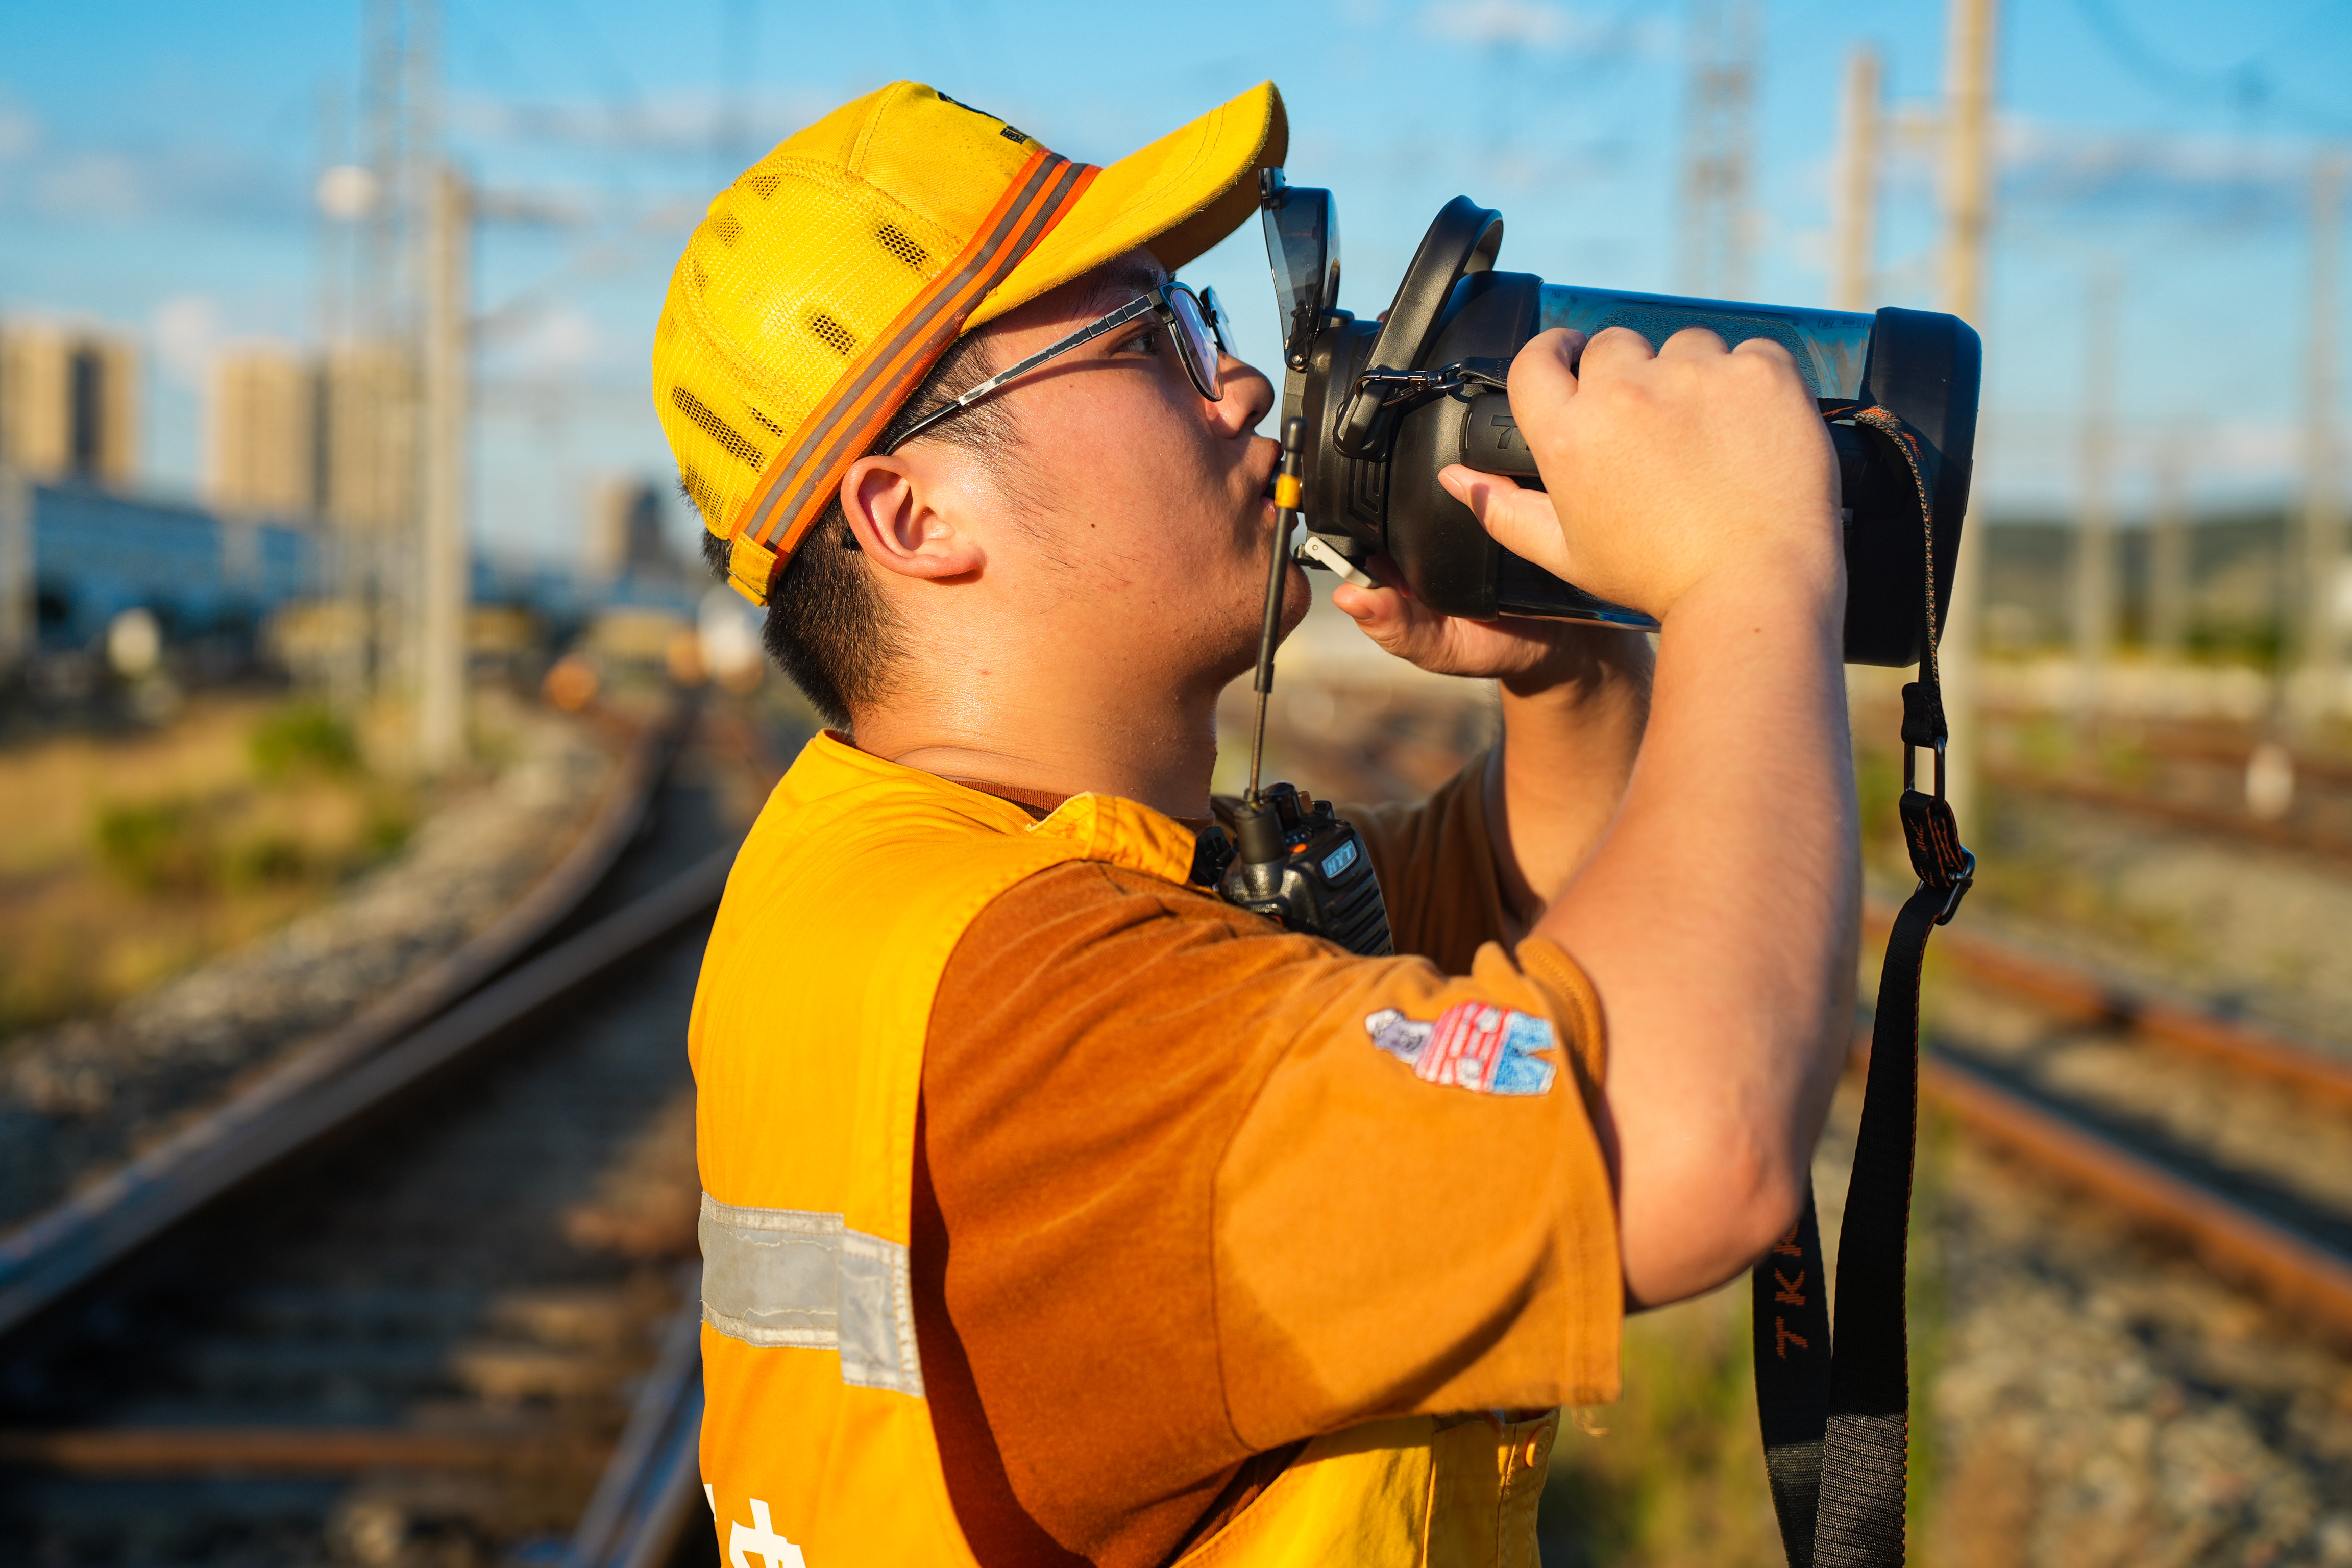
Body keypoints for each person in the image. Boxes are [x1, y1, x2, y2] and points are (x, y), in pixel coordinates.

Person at [659, 79, 1858, 1568]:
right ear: (913, 516)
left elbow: (1508, 918)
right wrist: (1755, 577)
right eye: (1150, 338)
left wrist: (1573, 667)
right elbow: (1685, 1142)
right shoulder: (1045, 1003)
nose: (1236, 384)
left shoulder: (918, 859)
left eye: (1202, 318)